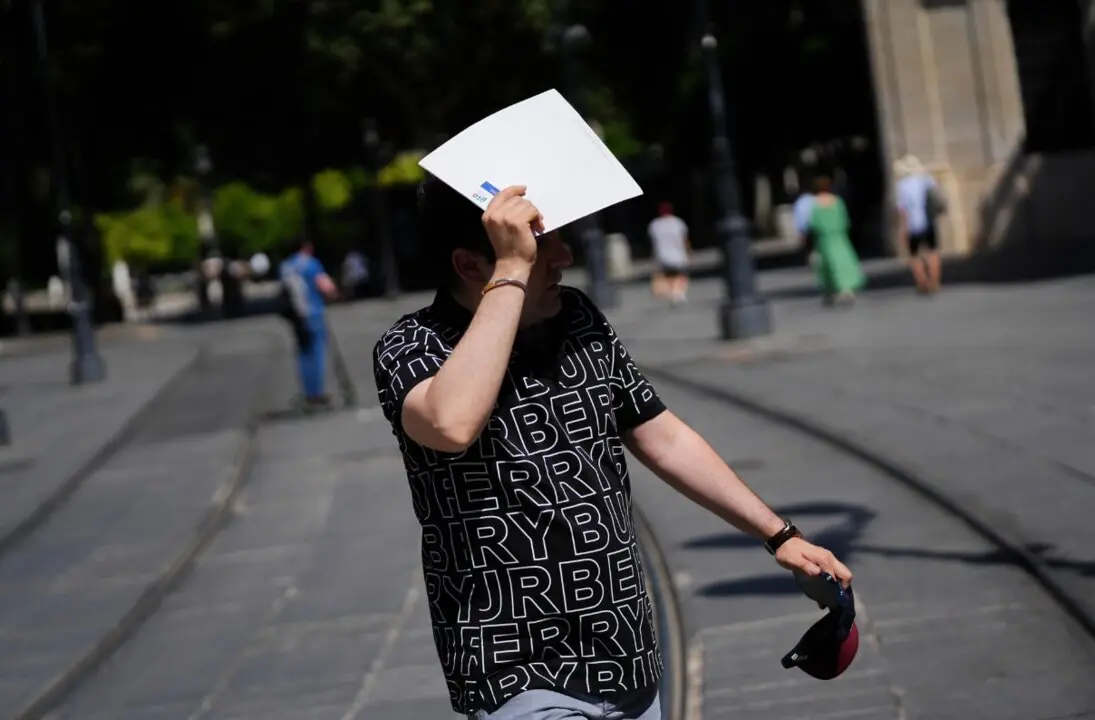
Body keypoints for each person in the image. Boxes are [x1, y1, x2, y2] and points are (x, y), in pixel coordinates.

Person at [372, 176, 854, 720]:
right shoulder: (411, 346)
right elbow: (452, 424)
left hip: (624, 653)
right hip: (514, 665)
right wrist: (510, 271)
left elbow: (662, 436)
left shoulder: (577, 319)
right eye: (538, 243)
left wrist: (779, 535)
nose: (563, 256)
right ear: (470, 265)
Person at [279, 237, 338, 407]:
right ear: (306, 247)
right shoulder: (310, 264)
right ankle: (317, 392)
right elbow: (325, 286)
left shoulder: (286, 266)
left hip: (296, 316)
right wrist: (335, 294)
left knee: (303, 353)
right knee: (317, 352)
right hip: (313, 312)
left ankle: (308, 392)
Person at [807, 174, 865, 305]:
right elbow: (845, 220)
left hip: (824, 239)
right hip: (839, 236)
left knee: (827, 264)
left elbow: (814, 223)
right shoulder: (837, 201)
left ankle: (831, 288)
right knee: (844, 261)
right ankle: (847, 287)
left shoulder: (815, 204)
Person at [894, 154, 945, 294]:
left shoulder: (901, 185)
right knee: (933, 252)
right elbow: (937, 192)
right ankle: (934, 282)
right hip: (929, 221)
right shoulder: (926, 180)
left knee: (914, 255)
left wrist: (902, 229)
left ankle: (922, 283)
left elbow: (902, 210)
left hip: (912, 224)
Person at [646, 201, 690, 305]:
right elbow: (684, 239)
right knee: (680, 275)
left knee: (669, 275)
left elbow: (653, 242)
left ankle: (673, 293)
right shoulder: (678, 222)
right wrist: (689, 251)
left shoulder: (654, 225)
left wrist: (653, 256)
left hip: (662, 255)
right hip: (678, 254)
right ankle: (678, 293)